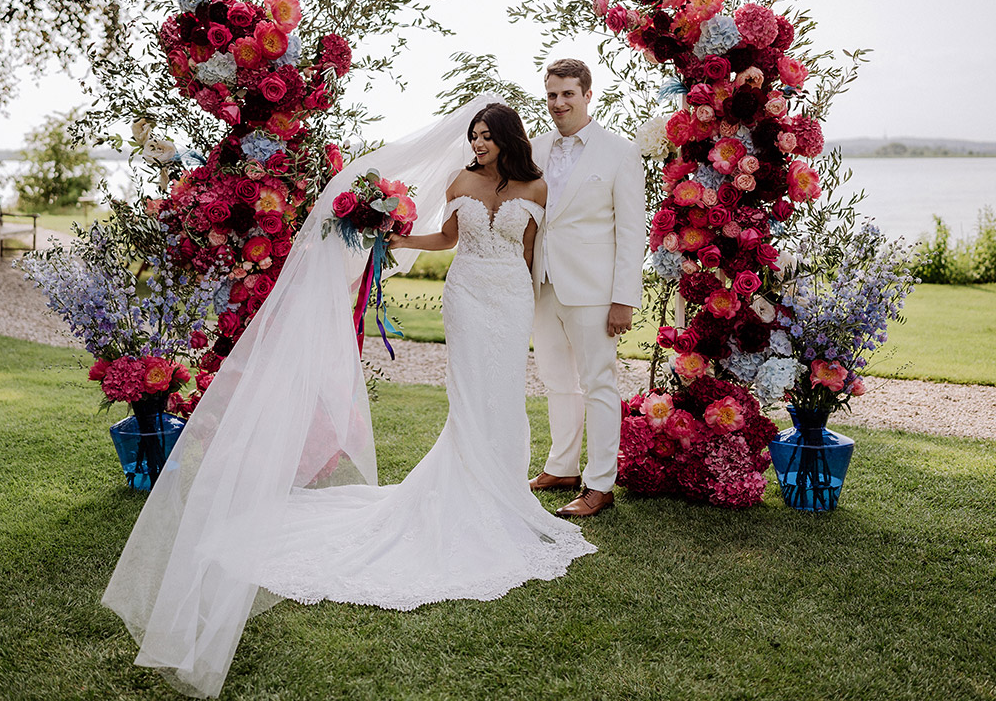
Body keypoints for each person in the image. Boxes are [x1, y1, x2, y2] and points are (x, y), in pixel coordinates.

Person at [102, 97, 595, 698]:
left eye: (488, 136)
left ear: (509, 139)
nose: (479, 143)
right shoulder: (460, 178)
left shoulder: (537, 187)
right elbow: (445, 236)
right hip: (466, 297)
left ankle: (501, 489)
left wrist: (524, 297)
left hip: (510, 299)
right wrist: (390, 233)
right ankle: (471, 493)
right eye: (474, 134)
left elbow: (527, 253)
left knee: (503, 398)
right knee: (468, 397)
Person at [528, 58, 647, 517]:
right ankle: (561, 466)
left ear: (587, 95)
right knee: (557, 380)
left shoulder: (619, 152)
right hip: (543, 282)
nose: (559, 103)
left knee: (597, 383)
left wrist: (623, 299)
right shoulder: (533, 149)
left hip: (596, 291)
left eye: (568, 94)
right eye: (552, 94)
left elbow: (632, 231)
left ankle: (599, 485)